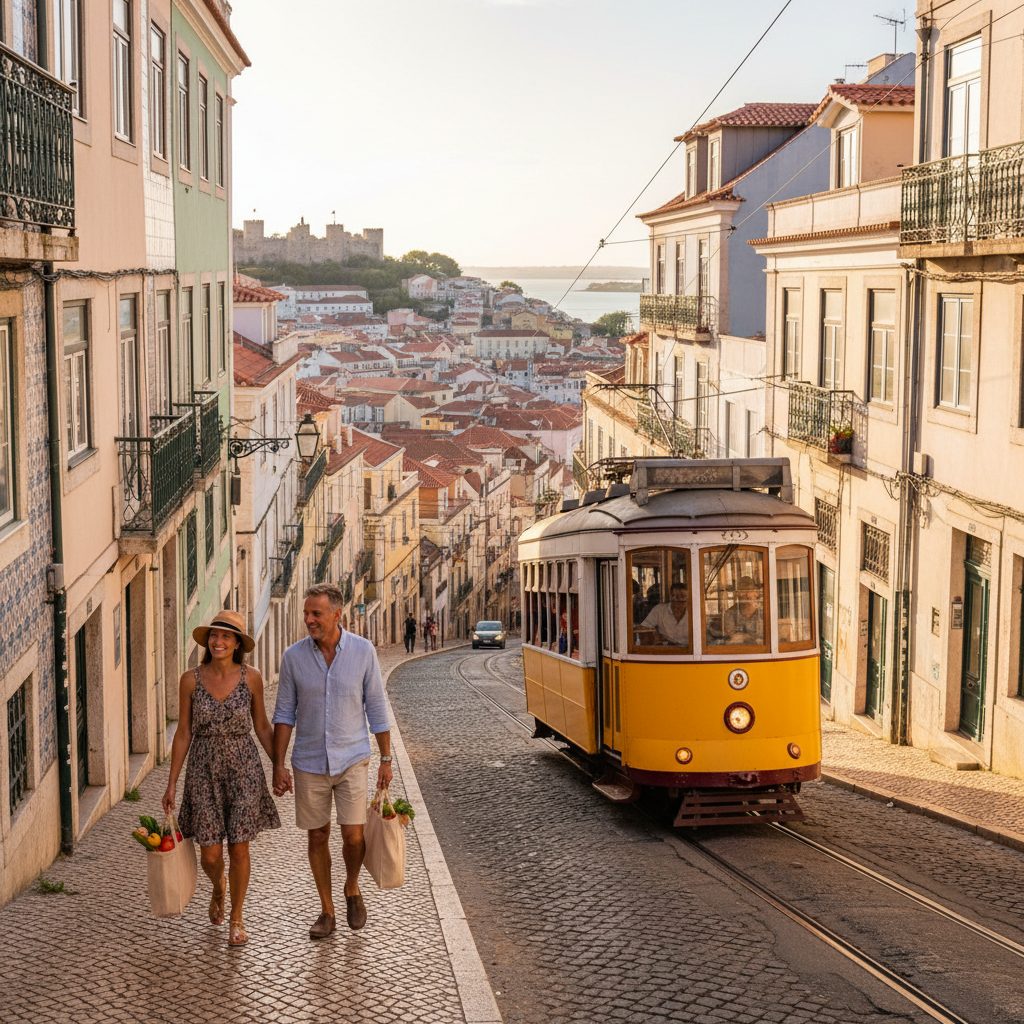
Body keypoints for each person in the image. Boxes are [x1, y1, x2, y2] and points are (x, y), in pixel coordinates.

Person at [272, 583, 393, 940]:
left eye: (316, 614)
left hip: (352, 757)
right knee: (318, 835)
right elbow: (284, 714)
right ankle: (327, 910)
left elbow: (377, 707)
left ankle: (352, 886)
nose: (309, 620)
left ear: (337, 615)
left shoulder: (363, 651)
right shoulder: (293, 657)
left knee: (353, 835)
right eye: (306, 613)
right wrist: (278, 764)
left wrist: (386, 759)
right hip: (309, 761)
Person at [162, 611, 281, 947]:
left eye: (226, 636)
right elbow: (183, 733)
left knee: (239, 848)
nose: (218, 641)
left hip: (244, 769)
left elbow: (262, 727)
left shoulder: (252, 678)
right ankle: (218, 886)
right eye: (214, 635)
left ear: (238, 643)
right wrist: (172, 782)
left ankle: (237, 917)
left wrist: (279, 766)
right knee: (210, 855)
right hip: (202, 771)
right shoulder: (190, 680)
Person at [720, 575, 765, 645]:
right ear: (737, 594)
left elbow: (764, 636)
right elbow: (731, 638)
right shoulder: (730, 614)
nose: (746, 595)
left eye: (749, 590)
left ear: (756, 593)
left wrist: (742, 636)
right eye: (742, 591)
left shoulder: (762, 613)